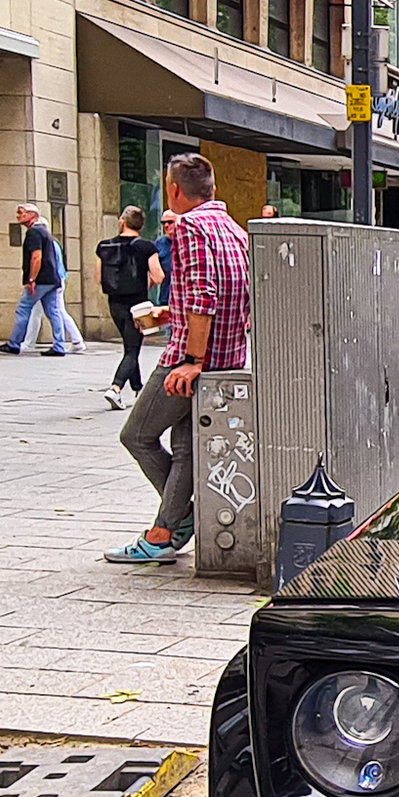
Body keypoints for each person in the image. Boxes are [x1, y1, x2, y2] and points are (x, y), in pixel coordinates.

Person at [109, 152, 249, 563]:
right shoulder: (233, 228)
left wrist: (192, 358)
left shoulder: (188, 226)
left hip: (190, 359)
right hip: (228, 356)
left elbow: (205, 296)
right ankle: (163, 532)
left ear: (173, 190)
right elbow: (232, 294)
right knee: (187, 448)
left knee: (136, 435)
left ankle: (176, 520)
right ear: (213, 189)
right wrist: (173, 311)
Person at [96, 204, 159, 411]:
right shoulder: (146, 247)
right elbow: (159, 276)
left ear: (122, 222)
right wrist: (145, 282)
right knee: (132, 349)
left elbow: (98, 277)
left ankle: (138, 387)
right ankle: (116, 388)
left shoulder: (104, 247)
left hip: (115, 303)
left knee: (130, 346)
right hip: (138, 305)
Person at [0, 203, 67, 356]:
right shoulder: (45, 232)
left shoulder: (33, 233)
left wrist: (31, 279)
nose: (18, 215)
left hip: (40, 280)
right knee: (53, 311)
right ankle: (60, 346)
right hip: (52, 279)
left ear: (31, 215)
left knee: (23, 308)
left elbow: (36, 257)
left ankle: (14, 343)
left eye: (21, 212)